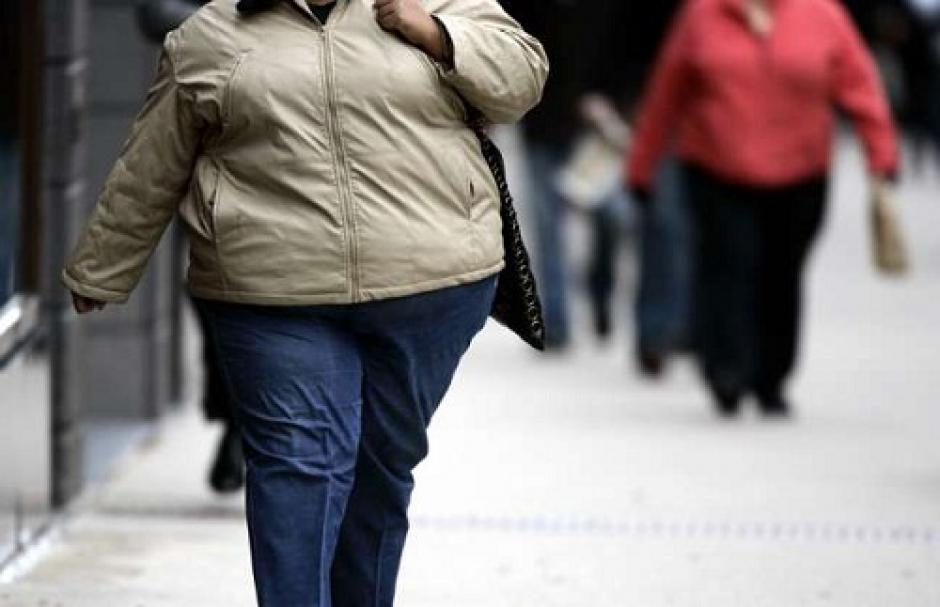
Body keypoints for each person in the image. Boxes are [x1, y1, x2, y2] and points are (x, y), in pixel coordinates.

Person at [62, 0, 547, 605]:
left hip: (430, 287)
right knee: (300, 467)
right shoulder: (210, 34)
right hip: (274, 295)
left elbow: (522, 81)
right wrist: (105, 266)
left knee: (379, 471)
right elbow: (153, 161)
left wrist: (440, 35)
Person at [628, 0, 899, 417]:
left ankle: (772, 375)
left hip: (800, 173)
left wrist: (881, 156)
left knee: (781, 272)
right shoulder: (702, 14)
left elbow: (860, 85)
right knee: (727, 268)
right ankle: (726, 370)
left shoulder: (822, 14)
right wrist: (643, 165)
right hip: (717, 168)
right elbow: (667, 92)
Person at [137, 0, 245, 494]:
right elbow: (154, 11)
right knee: (217, 296)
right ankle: (238, 422)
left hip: (303, 156)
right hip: (209, 151)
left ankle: (254, 426)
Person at [502, 0, 632, 349]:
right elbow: (507, 35)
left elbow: (632, 39)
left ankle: (601, 290)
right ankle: (556, 322)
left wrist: (612, 99)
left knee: (612, 215)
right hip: (542, 117)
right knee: (548, 226)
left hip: (597, 124)